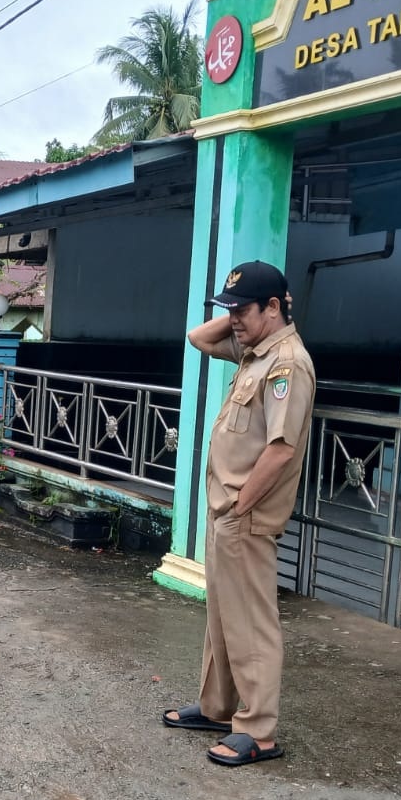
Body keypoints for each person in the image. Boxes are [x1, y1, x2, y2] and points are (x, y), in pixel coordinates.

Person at [163, 261, 315, 767]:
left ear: (274, 307)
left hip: (244, 513)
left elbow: (280, 449)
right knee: (223, 618)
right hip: (226, 510)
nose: (233, 321)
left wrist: (238, 505)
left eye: (243, 311)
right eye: (230, 312)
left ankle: (259, 730)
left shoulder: (286, 364)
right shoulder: (254, 351)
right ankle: (219, 707)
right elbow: (196, 337)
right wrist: (234, 314)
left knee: (250, 622)